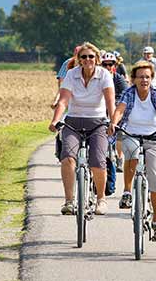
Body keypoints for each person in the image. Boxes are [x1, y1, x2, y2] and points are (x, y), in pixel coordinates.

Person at [108, 61, 156, 242]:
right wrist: (114, 123)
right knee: (131, 152)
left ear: (151, 78)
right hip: (132, 134)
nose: (144, 80)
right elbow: (120, 111)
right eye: (140, 77)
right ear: (133, 79)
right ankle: (128, 191)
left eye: (147, 77)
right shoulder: (129, 93)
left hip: (155, 137)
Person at [49, 42, 115, 216]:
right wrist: (55, 120)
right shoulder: (71, 74)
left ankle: (101, 199)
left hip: (97, 122)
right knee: (68, 158)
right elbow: (63, 101)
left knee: (98, 161)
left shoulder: (105, 75)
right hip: (73, 122)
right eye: (84, 57)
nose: (87, 60)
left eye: (91, 56)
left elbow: (110, 102)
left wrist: (113, 122)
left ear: (97, 59)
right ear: (79, 60)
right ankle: (69, 201)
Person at [102, 51, 129, 171]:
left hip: (116, 106)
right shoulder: (97, 78)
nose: (108, 67)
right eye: (105, 65)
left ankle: (119, 158)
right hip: (101, 106)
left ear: (115, 66)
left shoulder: (118, 79)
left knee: (119, 133)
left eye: (110, 64)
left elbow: (126, 95)